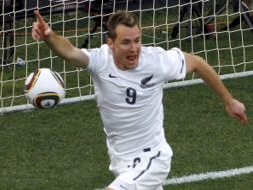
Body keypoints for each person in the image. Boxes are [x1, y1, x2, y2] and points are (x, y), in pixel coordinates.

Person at [32, 10, 247, 190]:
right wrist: (49, 36)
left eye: (137, 41)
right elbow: (69, 52)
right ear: (110, 43)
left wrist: (229, 101)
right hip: (121, 161)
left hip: (153, 158)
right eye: (126, 42)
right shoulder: (100, 60)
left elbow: (197, 62)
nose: (134, 49)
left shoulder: (155, 61)